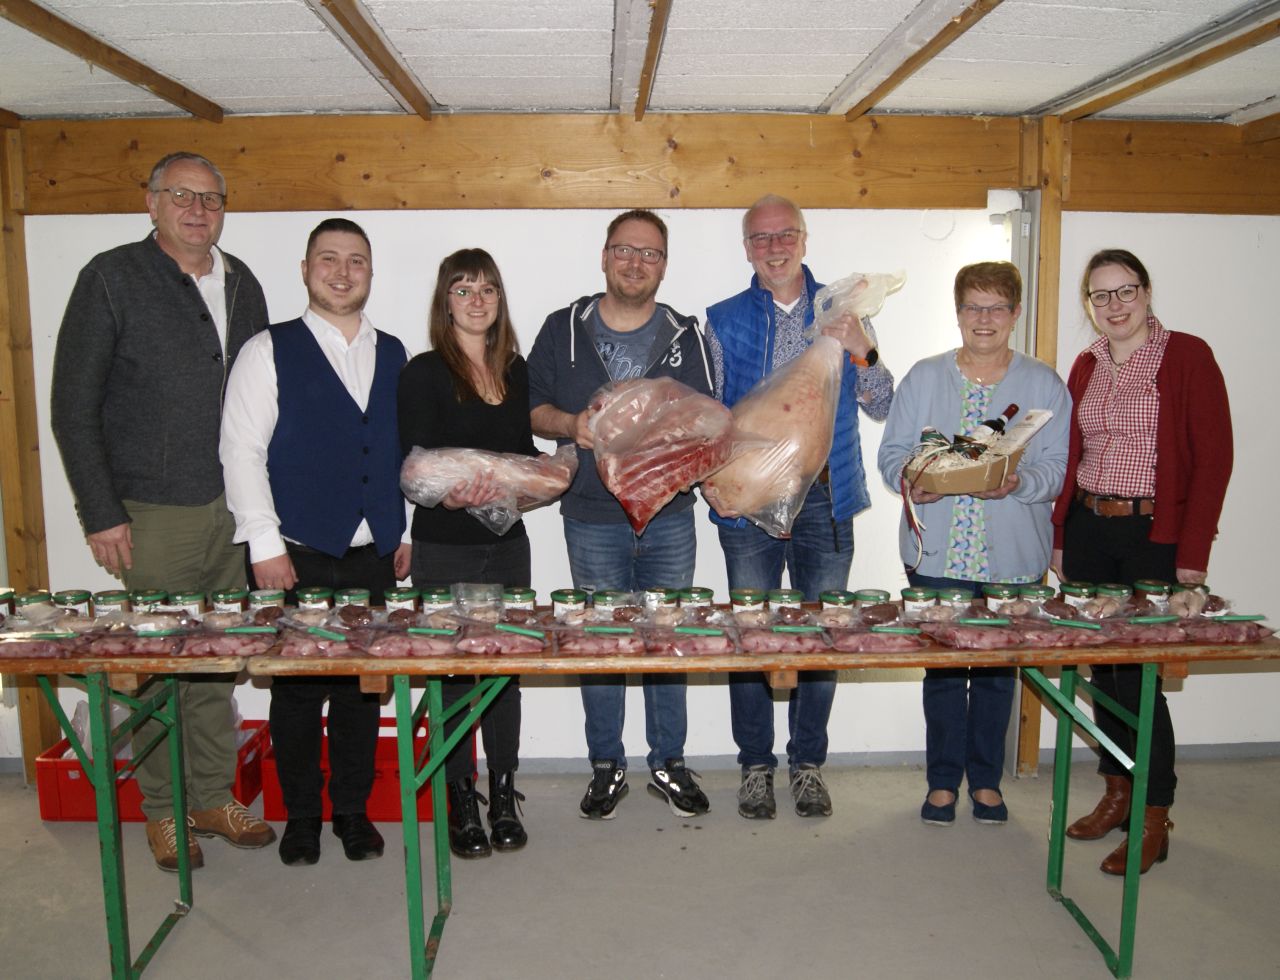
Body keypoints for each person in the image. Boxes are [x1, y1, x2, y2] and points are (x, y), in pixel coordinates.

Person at [50, 151, 275, 872]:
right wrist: (100, 511)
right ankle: (162, 809)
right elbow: (72, 409)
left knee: (213, 661)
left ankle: (210, 793)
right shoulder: (110, 279)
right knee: (154, 661)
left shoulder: (243, 284)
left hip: (231, 506)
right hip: (150, 510)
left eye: (211, 198)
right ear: (151, 203)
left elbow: (262, 395)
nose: (197, 209)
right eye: (181, 195)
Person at [220, 218, 411, 866]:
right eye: (328, 259)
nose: (341, 270)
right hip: (293, 550)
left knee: (363, 688)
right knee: (296, 693)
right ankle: (301, 815)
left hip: (371, 552)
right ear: (306, 269)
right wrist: (263, 544)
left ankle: (351, 813)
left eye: (356, 260)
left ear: (369, 272)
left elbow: (393, 453)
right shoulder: (266, 350)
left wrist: (398, 531)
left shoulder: (395, 353)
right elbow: (241, 452)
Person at [705, 194, 895, 820]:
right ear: (747, 249)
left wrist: (863, 348)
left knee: (824, 637)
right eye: (760, 238)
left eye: (785, 234)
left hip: (828, 500)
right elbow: (710, 415)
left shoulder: (843, 309)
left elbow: (880, 402)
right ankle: (755, 767)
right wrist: (709, 476)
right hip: (750, 502)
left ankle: (807, 765)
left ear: (805, 239)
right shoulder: (723, 318)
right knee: (751, 636)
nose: (775, 247)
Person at [527, 209, 715, 819]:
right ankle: (606, 764)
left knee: (668, 641)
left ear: (664, 264)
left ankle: (668, 762)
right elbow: (532, 409)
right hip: (590, 516)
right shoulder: (564, 327)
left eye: (650, 253)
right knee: (598, 642)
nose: (635, 262)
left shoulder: (687, 334)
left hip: (669, 517)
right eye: (624, 250)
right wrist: (572, 426)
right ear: (604, 257)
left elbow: (712, 422)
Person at [1051, 248, 1232, 875]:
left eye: (1125, 291)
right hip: (1091, 528)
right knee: (1104, 672)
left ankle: (1155, 814)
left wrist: (1193, 556)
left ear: (1147, 292)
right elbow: (1074, 453)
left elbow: (1213, 460)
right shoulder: (1086, 364)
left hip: (1155, 534)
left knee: (1143, 682)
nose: (1114, 306)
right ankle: (1117, 792)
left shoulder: (1187, 356)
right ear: (1089, 305)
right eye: (1100, 296)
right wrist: (1060, 536)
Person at [877, 261, 1070, 826]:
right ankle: (942, 783)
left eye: (996, 308)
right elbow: (891, 456)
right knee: (941, 672)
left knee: (994, 674)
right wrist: (913, 481)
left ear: (1014, 314)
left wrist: (1019, 484)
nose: (983, 319)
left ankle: (985, 781)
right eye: (972, 307)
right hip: (936, 552)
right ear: (957, 313)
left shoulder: (1042, 384)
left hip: (1012, 557)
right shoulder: (923, 377)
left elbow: (1057, 468)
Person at [398, 248, 532, 858]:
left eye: (487, 289)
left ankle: (503, 791)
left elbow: (523, 462)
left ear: (500, 300)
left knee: (505, 673)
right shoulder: (422, 372)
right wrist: (453, 495)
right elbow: (415, 466)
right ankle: (458, 797)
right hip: (445, 547)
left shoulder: (517, 370)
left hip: (506, 547)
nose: (476, 300)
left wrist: (533, 482)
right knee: (453, 673)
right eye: (462, 289)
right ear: (444, 302)